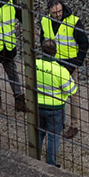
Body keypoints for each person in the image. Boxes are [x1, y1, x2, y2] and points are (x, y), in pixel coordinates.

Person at [33, 39, 78, 167]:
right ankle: (51, 163)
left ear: (41, 50)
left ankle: (34, 157)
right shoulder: (60, 70)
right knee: (53, 136)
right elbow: (72, 90)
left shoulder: (34, 64)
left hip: (37, 105)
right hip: (55, 108)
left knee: (39, 132)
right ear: (56, 52)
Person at [41, 0, 89, 74]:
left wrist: (77, 62)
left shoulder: (73, 21)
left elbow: (84, 43)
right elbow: (42, 40)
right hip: (51, 61)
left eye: (60, 11)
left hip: (69, 62)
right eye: (54, 13)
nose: (58, 14)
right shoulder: (45, 21)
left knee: (70, 85)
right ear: (49, 12)